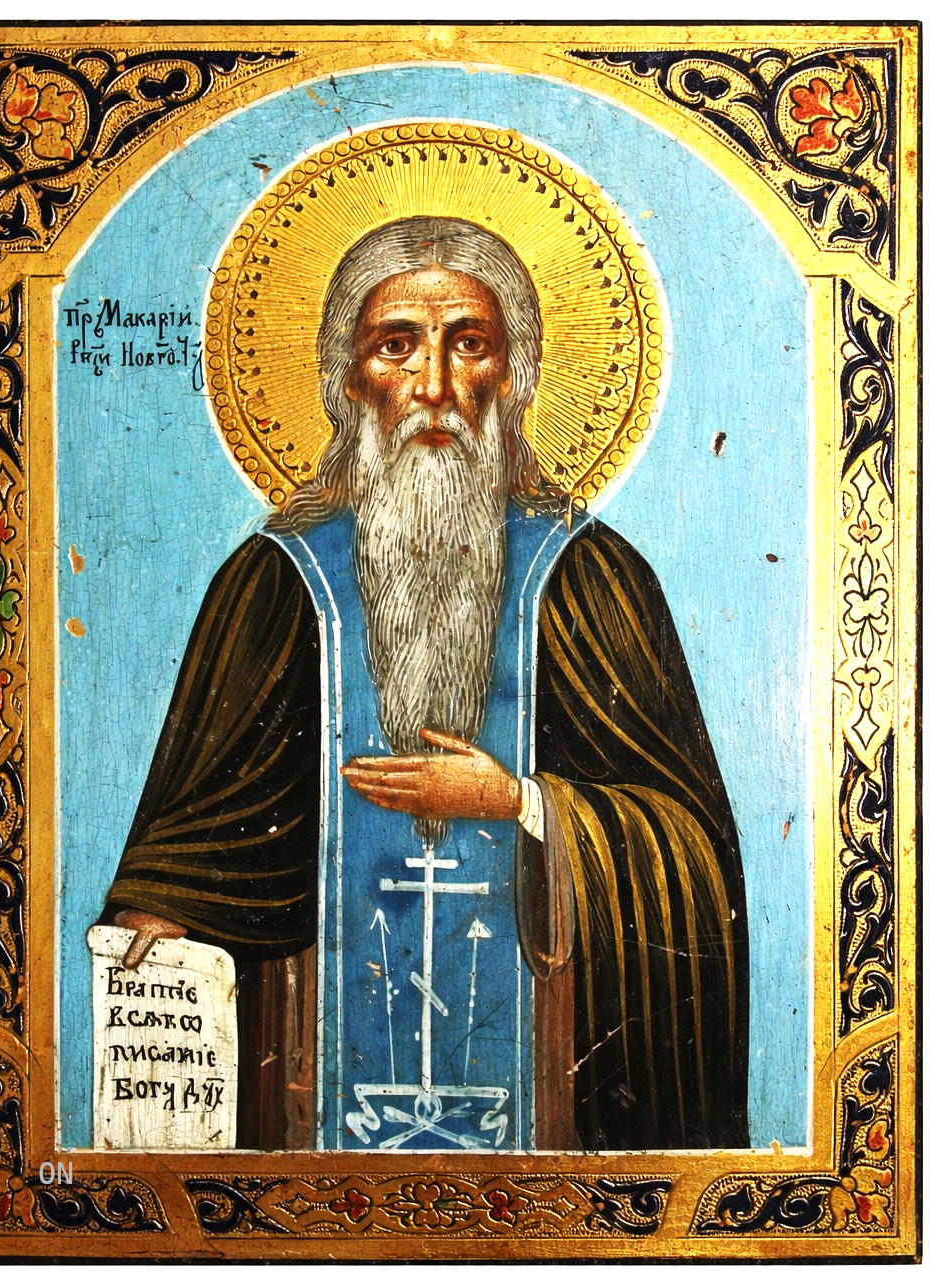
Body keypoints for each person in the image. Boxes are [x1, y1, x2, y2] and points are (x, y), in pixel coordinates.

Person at [100, 216, 750, 1152]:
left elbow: (690, 855)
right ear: (346, 377)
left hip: (550, 1118)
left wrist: (521, 804)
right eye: (397, 345)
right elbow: (204, 840)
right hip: (309, 1103)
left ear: (516, 376)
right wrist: (168, 912)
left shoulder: (590, 578)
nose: (434, 386)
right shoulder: (276, 581)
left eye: (470, 345)